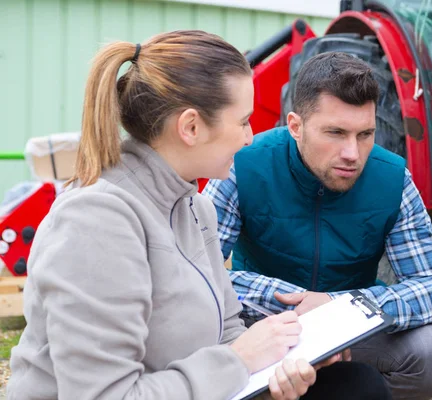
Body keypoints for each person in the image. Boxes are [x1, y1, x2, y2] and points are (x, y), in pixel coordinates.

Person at [7, 32, 392, 400]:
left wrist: (277, 366)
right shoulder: (96, 221)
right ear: (190, 127)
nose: (249, 137)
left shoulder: (195, 207)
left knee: (355, 385)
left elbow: (226, 333)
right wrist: (240, 360)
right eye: (242, 121)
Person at [203, 52, 432, 400]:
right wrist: (287, 302)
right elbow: (196, 274)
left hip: (351, 333)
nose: (353, 153)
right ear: (295, 126)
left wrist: (338, 306)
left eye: (365, 134)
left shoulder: (392, 178)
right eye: (336, 133)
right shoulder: (245, 164)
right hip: (260, 327)